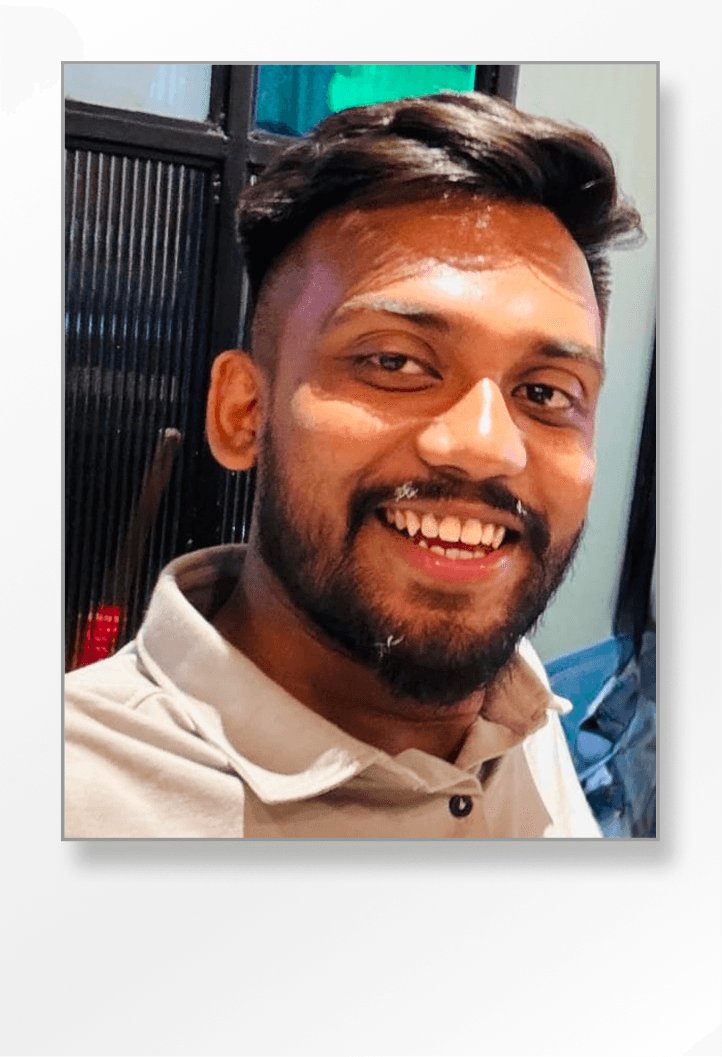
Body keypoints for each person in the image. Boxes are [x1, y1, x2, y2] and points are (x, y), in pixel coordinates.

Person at [65, 90, 643, 838]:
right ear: (243, 412)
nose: (487, 446)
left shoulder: (522, 717)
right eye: (396, 362)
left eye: (545, 392)